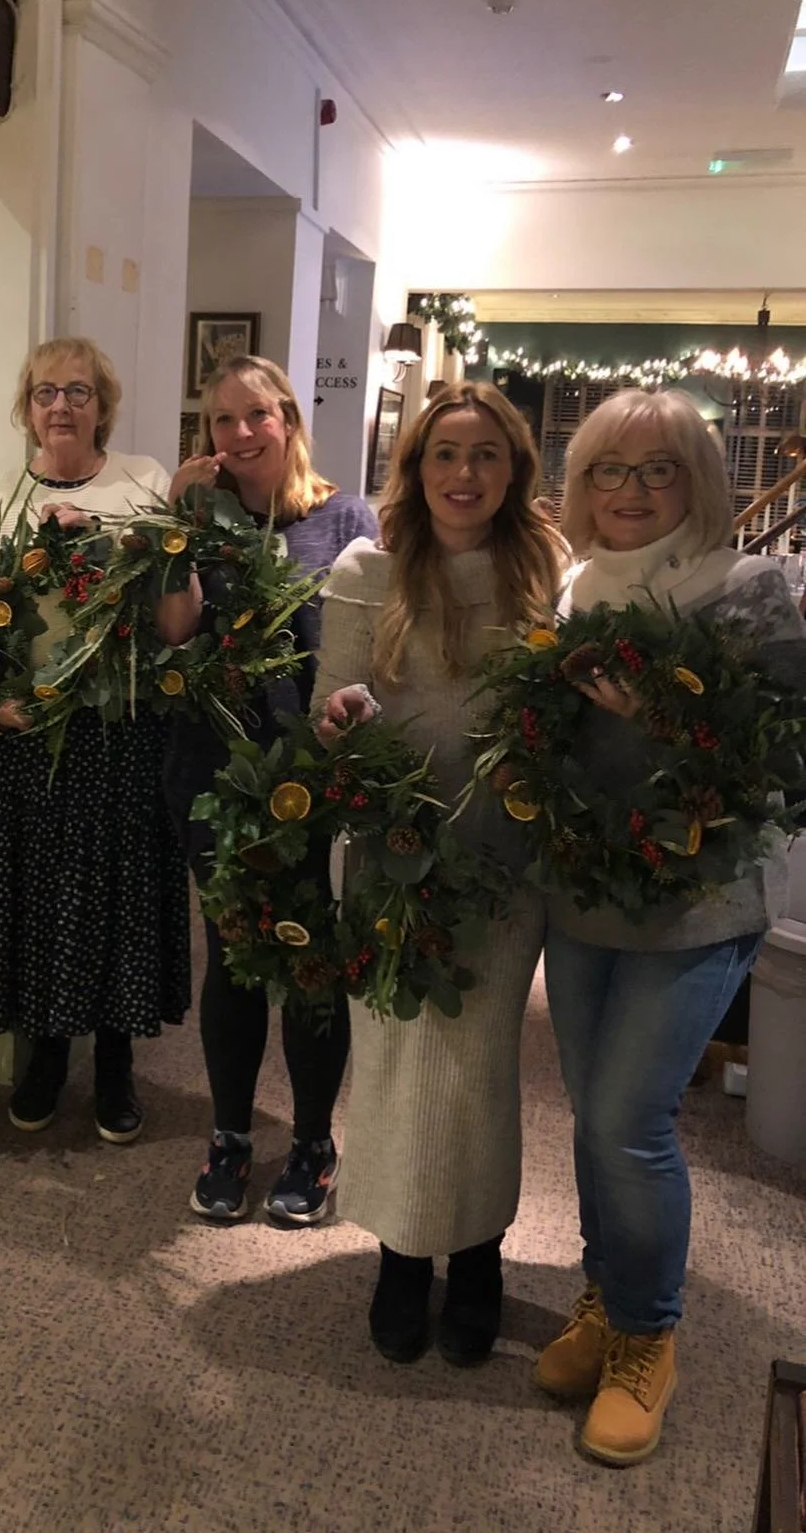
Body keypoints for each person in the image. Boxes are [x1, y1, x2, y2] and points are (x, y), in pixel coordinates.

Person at [532, 388, 806, 1464]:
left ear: (698, 481)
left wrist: (665, 721)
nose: (630, 491)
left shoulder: (745, 588)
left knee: (625, 1122)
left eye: (657, 470)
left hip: (695, 904)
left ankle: (649, 1335)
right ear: (581, 484)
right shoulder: (570, 587)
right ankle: (605, 1295)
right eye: (608, 469)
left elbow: (786, 767)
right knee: (590, 1119)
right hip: (583, 892)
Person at [312, 381, 561, 1363]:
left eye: (485, 454)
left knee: (474, 1070)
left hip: (502, 867)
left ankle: (480, 1254)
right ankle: (399, 1255)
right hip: (388, 856)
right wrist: (342, 721)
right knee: (392, 1061)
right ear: (415, 467)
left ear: (513, 470)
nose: (464, 474)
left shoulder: (549, 572)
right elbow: (334, 706)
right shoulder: (366, 570)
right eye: (444, 454)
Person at [155, 355, 377, 1226]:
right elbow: (176, 632)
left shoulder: (346, 519)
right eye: (222, 420)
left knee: (312, 958)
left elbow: (368, 652)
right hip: (214, 774)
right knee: (237, 958)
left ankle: (316, 1139)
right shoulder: (201, 521)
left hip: (315, 775)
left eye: (257, 415)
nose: (241, 434)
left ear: (289, 417)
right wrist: (176, 526)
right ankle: (231, 1135)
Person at [0, 337, 189, 1143]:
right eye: (47, 391)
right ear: (27, 406)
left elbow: (168, 610)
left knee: (117, 897)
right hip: (30, 730)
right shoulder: (1, 496)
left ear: (103, 406)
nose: (62, 406)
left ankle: (116, 1065)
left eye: (79, 392)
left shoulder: (143, 482)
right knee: (41, 897)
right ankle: (47, 1057)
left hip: (118, 733)